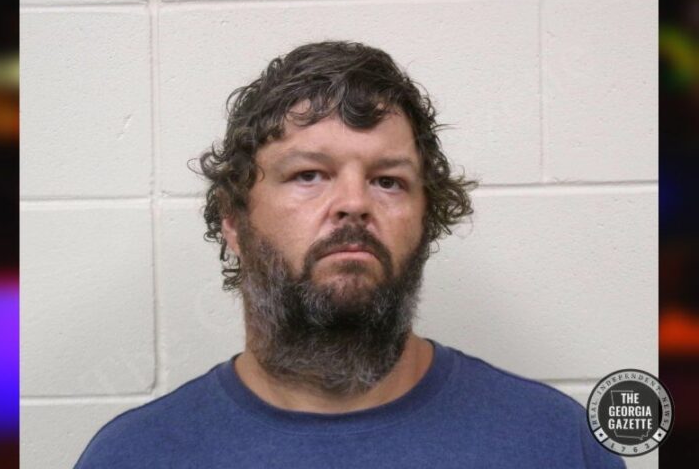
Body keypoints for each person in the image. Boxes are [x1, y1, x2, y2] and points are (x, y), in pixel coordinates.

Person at [75, 41, 625, 468]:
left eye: (388, 181)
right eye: (309, 174)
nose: (355, 203)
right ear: (234, 220)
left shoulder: (555, 442)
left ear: (426, 219)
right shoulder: (135, 455)